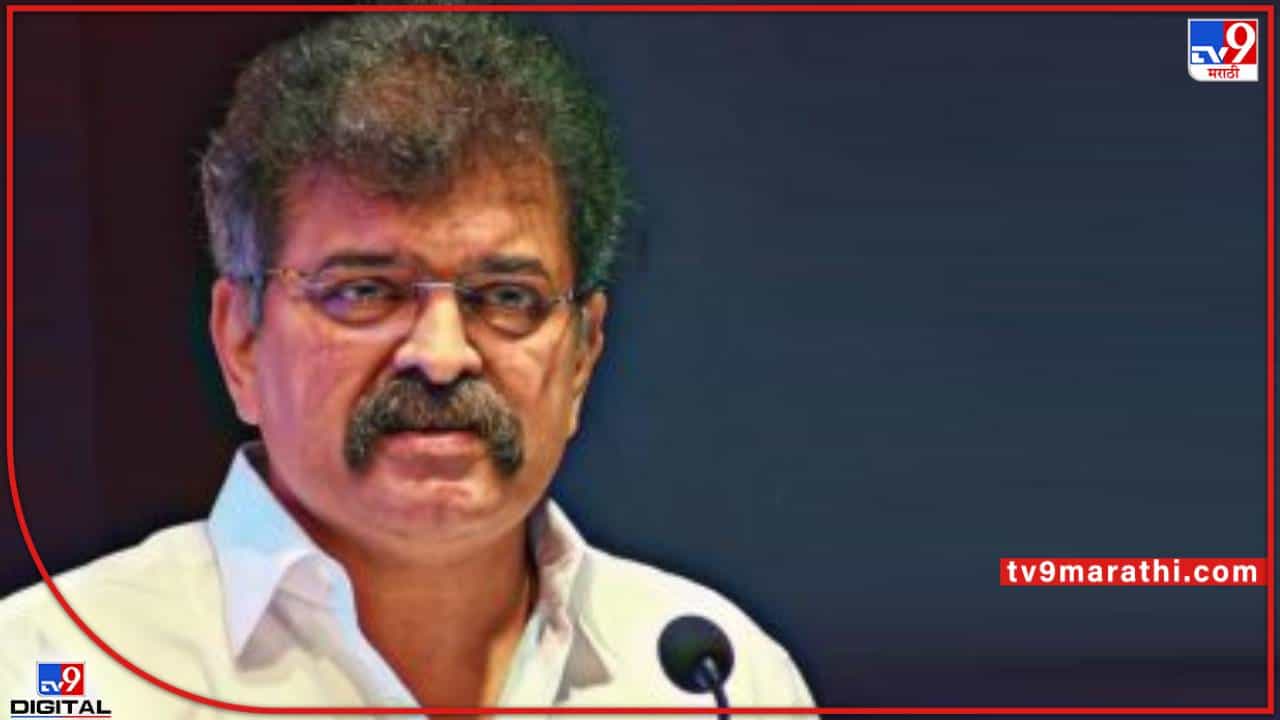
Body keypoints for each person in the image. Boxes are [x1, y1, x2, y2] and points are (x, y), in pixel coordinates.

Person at [0, 11, 813, 716]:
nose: (442, 355)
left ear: (581, 357)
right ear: (240, 340)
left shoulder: (718, 683)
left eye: (507, 297)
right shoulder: (50, 671)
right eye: (364, 291)